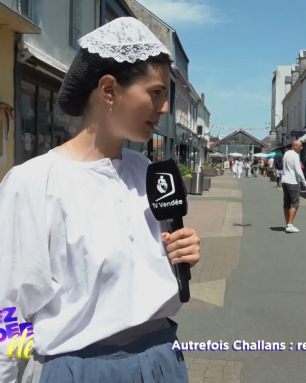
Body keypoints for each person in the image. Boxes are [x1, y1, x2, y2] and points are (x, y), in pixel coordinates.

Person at [0, 18, 201, 383]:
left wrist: (180, 255)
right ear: (109, 89)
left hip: (162, 361)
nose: (165, 108)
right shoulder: (33, 183)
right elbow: (7, 308)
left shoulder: (149, 173)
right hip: (75, 369)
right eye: (155, 93)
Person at [282, 140, 306, 233]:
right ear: (294, 146)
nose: (301, 148)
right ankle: (290, 224)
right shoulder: (295, 156)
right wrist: (304, 182)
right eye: (300, 146)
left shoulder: (286, 154)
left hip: (285, 181)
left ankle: (288, 223)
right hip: (293, 182)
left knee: (286, 203)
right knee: (295, 203)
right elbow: (298, 170)